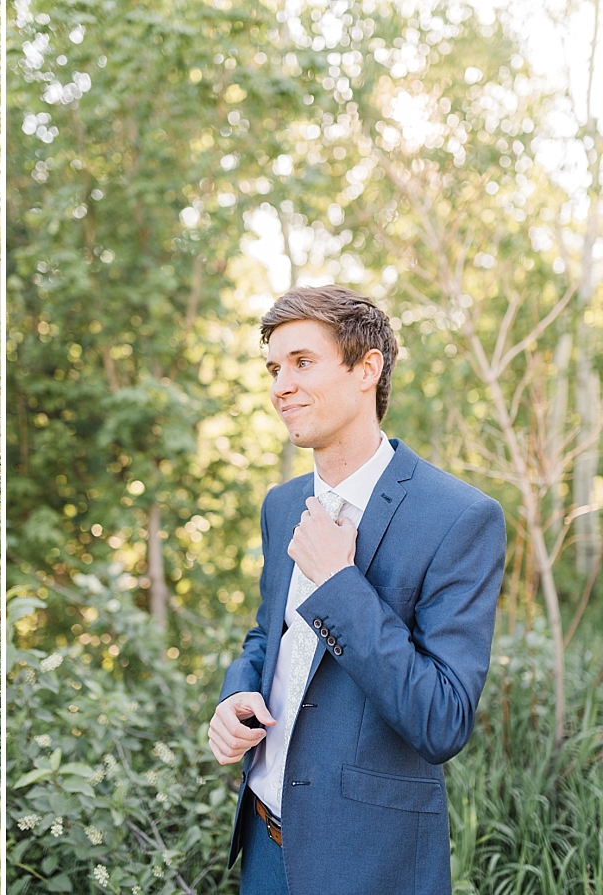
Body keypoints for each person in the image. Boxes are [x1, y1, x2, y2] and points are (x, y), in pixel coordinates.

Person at [206, 286, 505, 895]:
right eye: (274, 368)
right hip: (264, 846)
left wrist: (340, 584)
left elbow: (443, 720)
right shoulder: (282, 504)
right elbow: (269, 635)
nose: (279, 386)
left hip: (371, 864)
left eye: (302, 362)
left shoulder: (459, 517)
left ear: (367, 368)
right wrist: (235, 695)